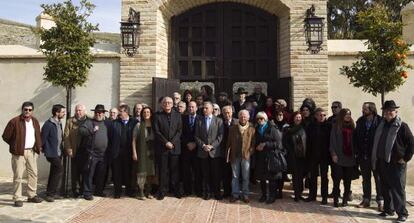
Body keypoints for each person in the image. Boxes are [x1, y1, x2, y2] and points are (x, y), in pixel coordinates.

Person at [372, 100, 414, 222]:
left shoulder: (402, 126)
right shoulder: (382, 124)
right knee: (385, 187)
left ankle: (402, 213)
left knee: (398, 188)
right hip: (383, 161)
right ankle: (388, 209)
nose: (388, 112)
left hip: (396, 162)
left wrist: (405, 158)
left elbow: (411, 143)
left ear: (396, 112)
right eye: (386, 110)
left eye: (391, 110)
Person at [2, 101, 43, 207]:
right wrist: (15, 145)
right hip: (19, 153)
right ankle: (17, 198)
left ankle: (32, 195)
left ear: (32, 111)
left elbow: (37, 135)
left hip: (32, 152)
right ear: (22, 110)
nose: (27, 111)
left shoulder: (35, 121)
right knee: (18, 176)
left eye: (29, 110)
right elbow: (5, 136)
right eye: (25, 109)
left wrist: (38, 147)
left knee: (33, 174)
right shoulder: (14, 121)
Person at [354, 102, 383, 211]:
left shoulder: (380, 121)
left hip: (375, 156)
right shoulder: (360, 121)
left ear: (371, 110)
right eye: (363, 109)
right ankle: (366, 199)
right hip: (363, 156)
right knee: (366, 179)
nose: (363, 110)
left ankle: (380, 200)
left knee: (378, 179)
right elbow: (356, 137)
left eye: (365, 109)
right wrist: (357, 151)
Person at [153, 97, 183, 200]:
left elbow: (179, 131)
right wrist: (166, 142)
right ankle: (162, 191)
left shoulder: (178, 115)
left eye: (169, 102)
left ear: (172, 104)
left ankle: (176, 191)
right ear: (162, 104)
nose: (167, 104)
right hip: (162, 147)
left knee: (175, 171)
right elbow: (157, 131)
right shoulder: (157, 116)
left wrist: (172, 142)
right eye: (165, 102)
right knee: (163, 171)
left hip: (175, 147)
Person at [195, 101, 224, 200]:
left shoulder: (219, 121)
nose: (204, 110)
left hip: (214, 152)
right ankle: (206, 192)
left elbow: (220, 136)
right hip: (203, 152)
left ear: (212, 109)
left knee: (215, 174)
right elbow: (196, 136)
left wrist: (212, 146)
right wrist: (203, 145)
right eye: (203, 108)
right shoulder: (199, 120)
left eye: (206, 108)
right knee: (205, 174)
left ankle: (216, 193)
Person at [254, 112, 284, 204]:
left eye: (262, 118)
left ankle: (272, 196)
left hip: (271, 156)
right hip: (261, 157)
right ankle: (264, 195)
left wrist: (265, 144)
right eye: (258, 119)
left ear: (266, 119)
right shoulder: (257, 129)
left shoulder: (272, 128)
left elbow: (278, 144)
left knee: (272, 178)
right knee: (262, 178)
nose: (260, 120)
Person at [227, 109, 255, 203]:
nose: (243, 118)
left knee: (245, 177)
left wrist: (250, 152)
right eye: (241, 116)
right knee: (235, 176)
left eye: (245, 116)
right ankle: (235, 194)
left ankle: (245, 195)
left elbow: (253, 143)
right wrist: (228, 154)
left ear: (248, 117)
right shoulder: (233, 128)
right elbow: (228, 143)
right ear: (238, 117)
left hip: (246, 156)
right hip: (235, 156)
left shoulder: (252, 129)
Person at [330, 108, 356, 207]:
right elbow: (332, 142)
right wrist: (333, 154)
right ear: (342, 116)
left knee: (347, 181)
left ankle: (345, 200)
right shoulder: (336, 126)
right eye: (346, 114)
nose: (348, 116)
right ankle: (336, 199)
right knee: (336, 180)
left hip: (349, 158)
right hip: (339, 157)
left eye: (349, 114)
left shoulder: (353, 126)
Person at [110, 104, 138, 198]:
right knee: (117, 172)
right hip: (117, 152)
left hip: (130, 152)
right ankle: (117, 191)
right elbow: (110, 137)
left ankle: (129, 191)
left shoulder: (134, 122)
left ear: (126, 112)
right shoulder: (115, 123)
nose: (119, 113)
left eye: (121, 111)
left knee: (128, 172)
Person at [305, 108, 331, 204]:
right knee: (313, 176)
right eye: (320, 115)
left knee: (324, 177)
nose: (322, 117)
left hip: (324, 156)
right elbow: (308, 141)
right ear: (315, 116)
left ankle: (324, 197)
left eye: (324, 115)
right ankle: (312, 195)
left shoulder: (329, 126)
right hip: (313, 155)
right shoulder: (311, 126)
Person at [41, 104, 66, 202]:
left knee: (54, 171)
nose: (64, 114)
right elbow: (43, 138)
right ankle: (50, 194)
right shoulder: (48, 124)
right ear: (57, 113)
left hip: (59, 152)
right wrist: (41, 148)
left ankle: (50, 193)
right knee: (59, 169)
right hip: (51, 153)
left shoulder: (59, 123)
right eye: (63, 112)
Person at [64, 104, 88, 198]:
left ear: (84, 111)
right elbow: (66, 136)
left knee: (85, 171)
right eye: (77, 110)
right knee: (75, 172)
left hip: (85, 151)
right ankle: (75, 190)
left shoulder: (88, 120)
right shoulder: (70, 121)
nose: (78, 112)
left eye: (80, 110)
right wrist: (69, 148)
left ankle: (83, 189)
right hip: (75, 150)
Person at [132, 107, 156, 200]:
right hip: (141, 151)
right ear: (142, 114)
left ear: (151, 113)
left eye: (148, 112)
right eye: (144, 112)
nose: (146, 113)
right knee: (141, 172)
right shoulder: (138, 125)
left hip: (151, 151)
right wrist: (134, 153)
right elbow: (133, 140)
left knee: (150, 172)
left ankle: (148, 191)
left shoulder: (154, 125)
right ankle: (141, 192)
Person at [284, 111, 307, 202]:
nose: (298, 119)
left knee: (301, 175)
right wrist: (291, 150)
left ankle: (300, 193)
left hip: (303, 155)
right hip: (293, 155)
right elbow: (285, 142)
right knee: (295, 175)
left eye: (299, 117)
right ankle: (297, 194)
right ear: (293, 118)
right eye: (296, 117)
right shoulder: (289, 129)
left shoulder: (304, 128)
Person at [181, 101, 202, 197]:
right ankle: (187, 190)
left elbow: (203, 134)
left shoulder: (201, 119)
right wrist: (187, 143)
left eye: (193, 107)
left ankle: (198, 190)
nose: (191, 109)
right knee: (186, 171)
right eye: (189, 107)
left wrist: (195, 143)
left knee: (198, 171)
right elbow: (180, 133)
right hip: (186, 149)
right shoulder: (183, 119)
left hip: (198, 149)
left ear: (197, 108)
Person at [221, 105, 238, 198]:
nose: (227, 114)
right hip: (224, 151)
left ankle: (234, 192)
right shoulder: (220, 122)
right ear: (222, 114)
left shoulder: (237, 122)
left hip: (235, 152)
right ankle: (226, 192)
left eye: (228, 112)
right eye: (225, 113)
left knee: (235, 173)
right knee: (225, 173)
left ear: (232, 113)